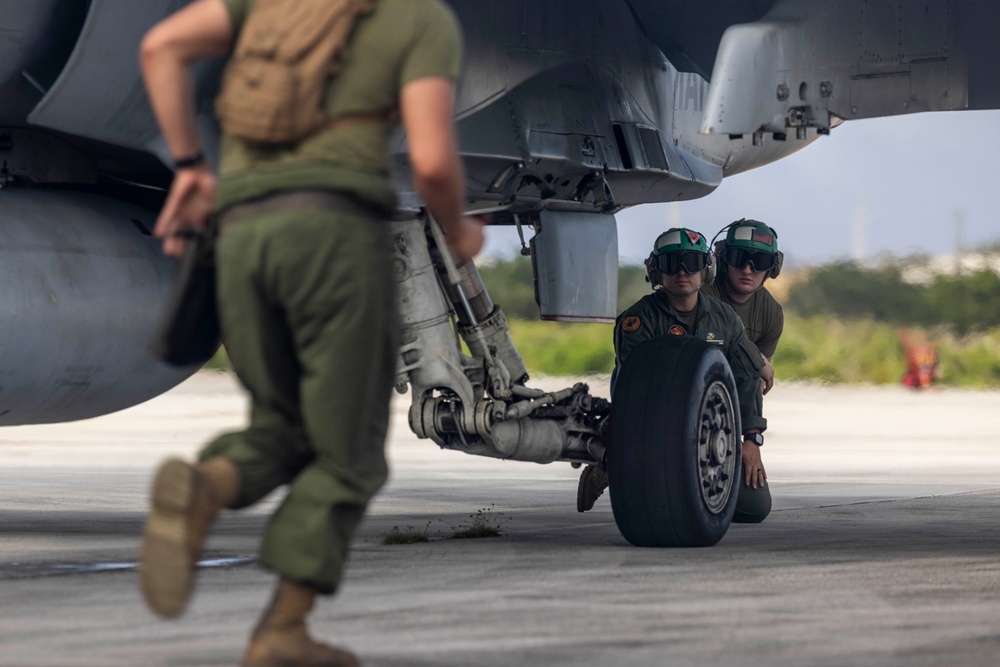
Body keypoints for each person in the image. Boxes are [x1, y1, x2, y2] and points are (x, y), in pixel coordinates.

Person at [138, 1, 483, 665]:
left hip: (238, 236)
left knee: (284, 426)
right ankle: (282, 629)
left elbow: (161, 48)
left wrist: (188, 164)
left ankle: (204, 488)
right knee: (348, 452)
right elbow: (435, 164)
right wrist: (461, 229)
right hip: (332, 238)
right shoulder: (419, 20)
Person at [578, 228, 770, 524]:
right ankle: (611, 464)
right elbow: (638, 387)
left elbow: (746, 376)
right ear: (656, 271)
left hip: (711, 428)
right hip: (656, 427)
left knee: (753, 508)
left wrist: (750, 439)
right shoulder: (638, 321)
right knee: (662, 510)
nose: (682, 271)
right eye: (672, 263)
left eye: (692, 262)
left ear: (705, 270)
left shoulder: (725, 318)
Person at [701, 219, 785, 395]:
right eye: (739, 259)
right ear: (725, 260)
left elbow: (757, 379)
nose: (748, 270)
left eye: (759, 261)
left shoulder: (771, 313)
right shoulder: (701, 297)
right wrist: (757, 359)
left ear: (771, 268)